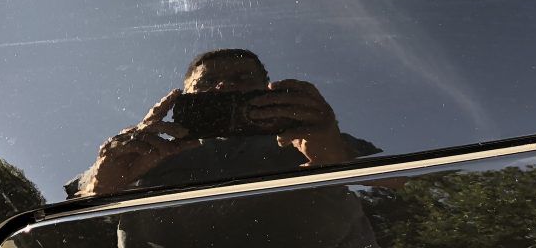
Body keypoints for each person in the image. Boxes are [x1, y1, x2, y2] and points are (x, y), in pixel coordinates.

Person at [68, 49, 380, 248]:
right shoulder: (146, 153)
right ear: (181, 97)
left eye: (243, 78)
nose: (226, 86)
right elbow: (76, 202)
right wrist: (102, 180)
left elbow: (400, 179)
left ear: (266, 88)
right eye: (207, 81)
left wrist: (334, 153)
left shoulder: (309, 136)